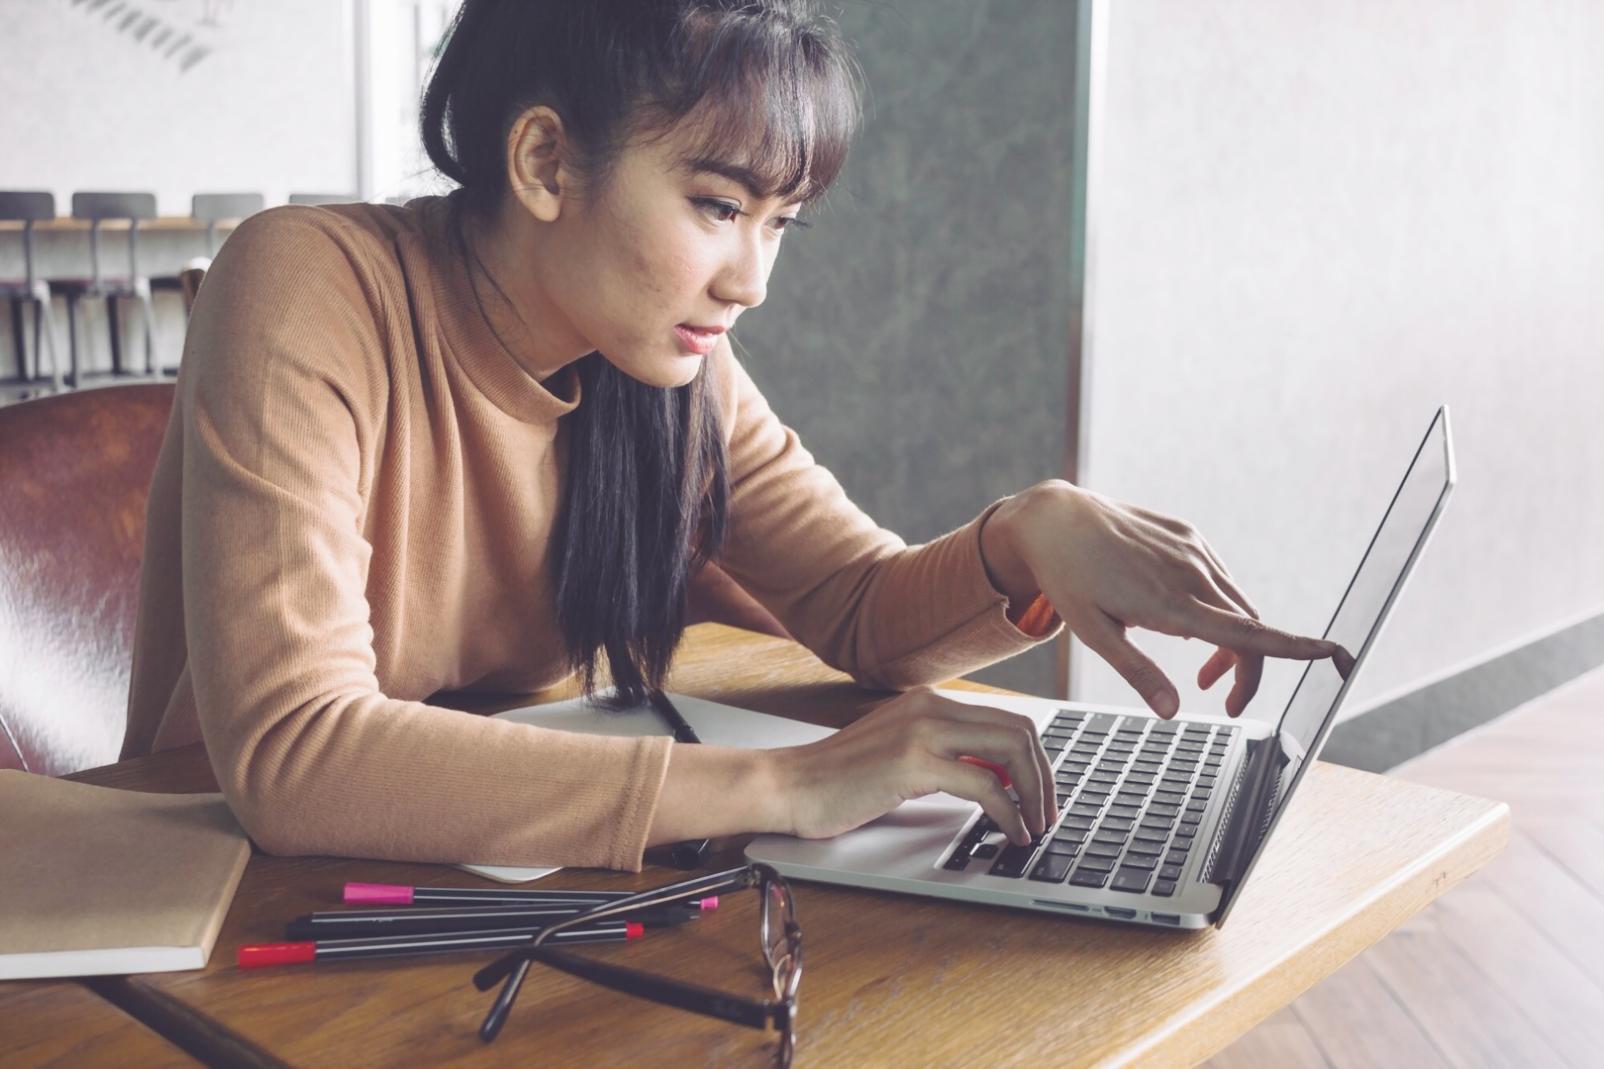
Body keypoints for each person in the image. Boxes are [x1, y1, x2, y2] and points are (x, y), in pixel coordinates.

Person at [120, 0, 1336, 869]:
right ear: (544, 160)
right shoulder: (307, 285)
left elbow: (855, 605)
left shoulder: (661, 364)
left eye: (779, 222)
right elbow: (295, 755)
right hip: (228, 891)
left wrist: (1029, 536)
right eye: (716, 205)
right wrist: (786, 784)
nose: (751, 280)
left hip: (504, 877)